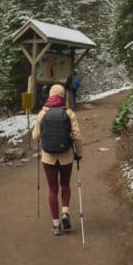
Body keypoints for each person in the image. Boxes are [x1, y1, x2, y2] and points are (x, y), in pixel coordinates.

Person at [32, 83, 83, 236]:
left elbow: (35, 137)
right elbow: (77, 136)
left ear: (50, 95)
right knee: (65, 185)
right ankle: (65, 212)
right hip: (66, 156)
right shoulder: (69, 113)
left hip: (48, 158)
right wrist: (79, 153)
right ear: (63, 96)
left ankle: (55, 225)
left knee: (53, 189)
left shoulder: (42, 113)